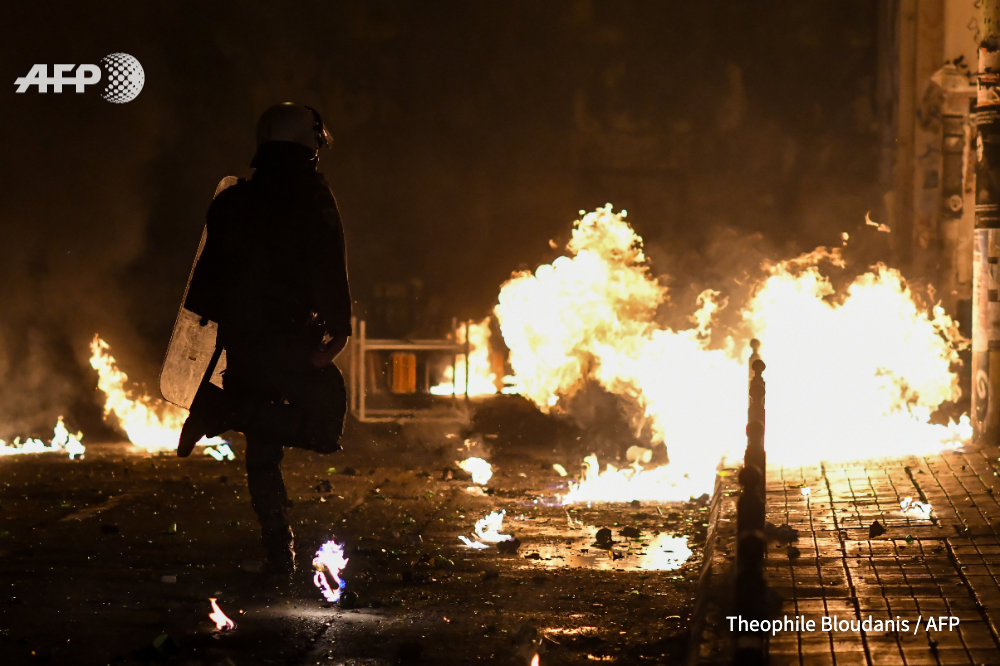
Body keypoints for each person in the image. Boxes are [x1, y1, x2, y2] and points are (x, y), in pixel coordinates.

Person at [178, 102, 352, 576]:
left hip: (241, 338)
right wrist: (338, 329)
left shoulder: (234, 201)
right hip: (289, 335)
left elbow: (207, 283)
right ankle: (223, 411)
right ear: (307, 143)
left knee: (263, 445)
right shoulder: (312, 199)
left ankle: (278, 549)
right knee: (325, 420)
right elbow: (328, 265)